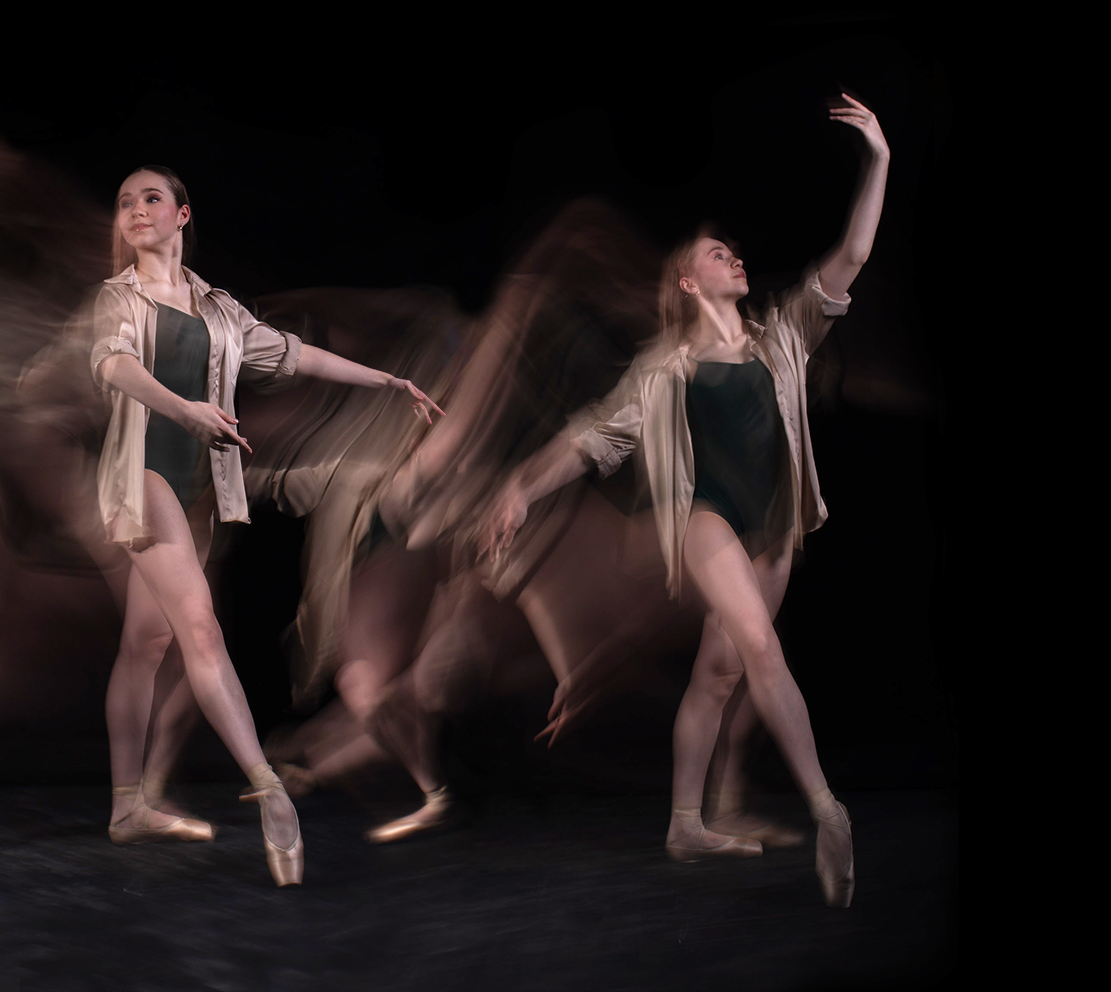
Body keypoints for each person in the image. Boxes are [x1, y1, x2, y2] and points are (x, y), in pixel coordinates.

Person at [480, 95, 888, 908]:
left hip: (773, 529)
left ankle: (684, 824)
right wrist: (522, 485)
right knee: (762, 651)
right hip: (709, 521)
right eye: (717, 252)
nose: (734, 258)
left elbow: (853, 252)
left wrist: (879, 159)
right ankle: (827, 809)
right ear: (687, 278)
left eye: (735, 252)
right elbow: (592, 438)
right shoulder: (661, 371)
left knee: (717, 676)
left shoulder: (785, 335)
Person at [91, 166, 444, 886]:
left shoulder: (218, 309)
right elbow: (113, 365)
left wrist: (386, 380)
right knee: (199, 630)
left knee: (146, 639)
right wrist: (185, 410)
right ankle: (269, 792)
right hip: (145, 478)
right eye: (125, 201)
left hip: (196, 486)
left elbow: (294, 352)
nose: (135, 210)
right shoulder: (118, 298)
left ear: (183, 215)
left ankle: (128, 804)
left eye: (150, 198)